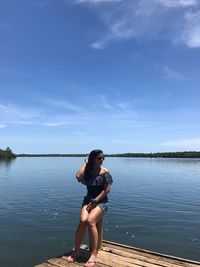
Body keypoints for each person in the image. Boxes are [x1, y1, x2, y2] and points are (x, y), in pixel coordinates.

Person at [67, 149, 113, 267]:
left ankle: (93, 254)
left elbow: (107, 190)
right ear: (93, 159)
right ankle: (76, 251)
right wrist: (85, 162)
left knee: (90, 221)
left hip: (101, 201)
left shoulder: (105, 172)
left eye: (103, 158)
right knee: (82, 221)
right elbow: (78, 176)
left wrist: (96, 201)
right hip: (88, 200)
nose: (102, 160)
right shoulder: (88, 171)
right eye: (99, 158)